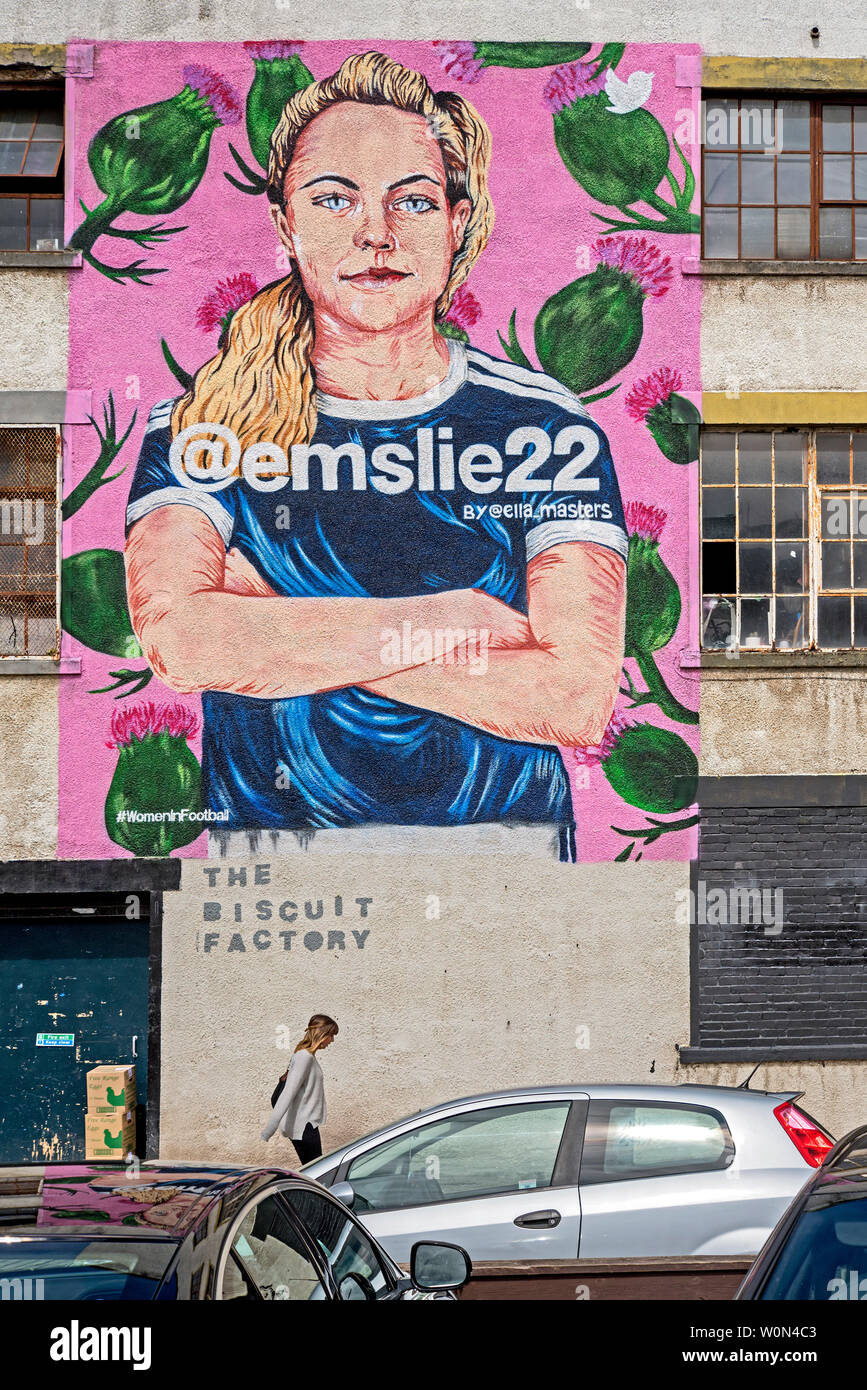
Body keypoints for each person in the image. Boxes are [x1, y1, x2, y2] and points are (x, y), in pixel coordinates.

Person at [124, 51, 627, 857]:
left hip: (508, 859)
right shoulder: (200, 423)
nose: (375, 234)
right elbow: (182, 642)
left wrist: (272, 621)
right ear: (285, 223)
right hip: (269, 869)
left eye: (414, 202)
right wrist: (456, 621)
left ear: (458, 223)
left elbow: (573, 697)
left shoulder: (543, 428)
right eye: (333, 199)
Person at [261, 1014, 338, 1162]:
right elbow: (288, 1093)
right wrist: (268, 1131)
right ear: (322, 1034)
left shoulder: (304, 1055)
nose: (332, 1040)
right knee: (316, 1172)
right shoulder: (305, 1057)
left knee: (311, 1170)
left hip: (306, 1125)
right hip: (304, 1127)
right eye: (331, 1035)